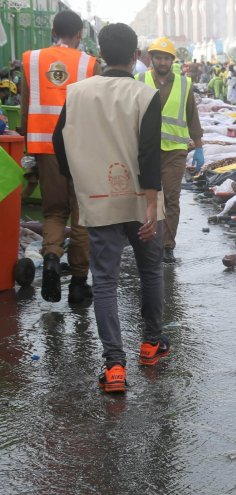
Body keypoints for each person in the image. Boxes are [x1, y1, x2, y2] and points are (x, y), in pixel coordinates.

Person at [53, 22, 169, 393]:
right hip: (142, 203)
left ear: (100, 54)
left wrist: (80, 179)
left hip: (99, 201)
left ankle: (114, 367)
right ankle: (151, 344)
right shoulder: (146, 95)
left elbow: (59, 143)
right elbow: (151, 154)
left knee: (105, 282)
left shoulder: (75, 93)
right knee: (150, 273)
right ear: (136, 56)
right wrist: (150, 207)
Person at [20, 10, 99, 303]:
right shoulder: (89, 64)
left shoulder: (32, 59)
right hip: (79, 148)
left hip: (44, 146)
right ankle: (79, 283)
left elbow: (26, 105)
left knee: (53, 211)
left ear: (53, 31)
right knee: (81, 214)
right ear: (79, 34)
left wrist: (28, 148)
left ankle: (52, 257)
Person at [138, 36, 204, 265]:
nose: (163, 62)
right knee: (146, 198)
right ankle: (146, 241)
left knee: (171, 198)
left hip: (175, 150)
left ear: (172, 60)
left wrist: (199, 145)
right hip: (146, 150)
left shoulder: (184, 84)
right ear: (152, 58)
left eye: (167, 58)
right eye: (159, 57)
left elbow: (192, 115)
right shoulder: (139, 80)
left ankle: (167, 246)